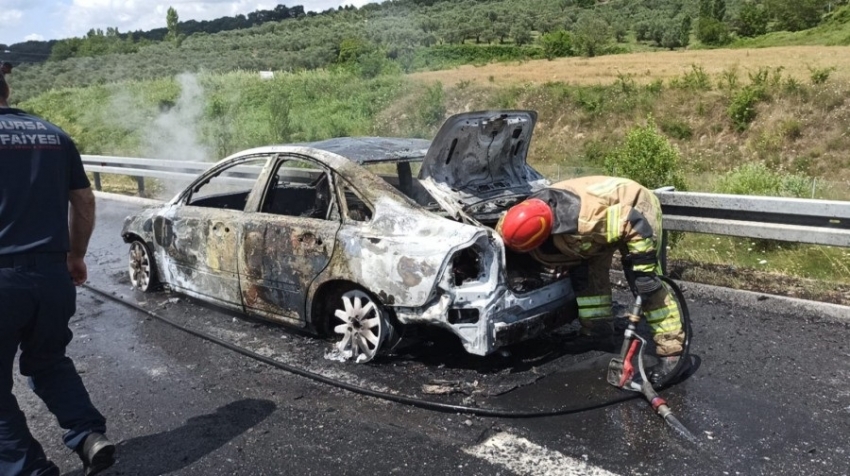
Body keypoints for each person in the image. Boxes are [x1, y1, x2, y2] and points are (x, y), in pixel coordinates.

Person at [0, 74, 115, 474]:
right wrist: (76, 255)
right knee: (48, 361)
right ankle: (87, 435)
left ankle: (30, 470)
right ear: (6, 88)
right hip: (52, 278)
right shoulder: (53, 135)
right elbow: (83, 199)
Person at [496, 176, 685, 383]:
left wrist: (643, 269)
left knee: (646, 287)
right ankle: (598, 333)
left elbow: (634, 223)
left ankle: (672, 353)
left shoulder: (588, 220)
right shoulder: (517, 217)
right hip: (601, 228)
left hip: (635, 211)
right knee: (586, 277)